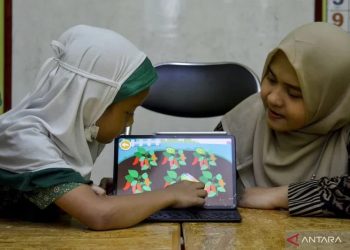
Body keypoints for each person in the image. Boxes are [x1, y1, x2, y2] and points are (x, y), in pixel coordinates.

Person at [0, 25, 207, 230]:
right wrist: (170, 194)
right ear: (93, 104)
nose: (130, 122)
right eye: (128, 112)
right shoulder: (23, 138)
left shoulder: (64, 133)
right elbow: (100, 215)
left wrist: (86, 191)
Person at [216, 22, 350, 217]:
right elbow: (203, 175)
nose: (272, 98)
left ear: (331, 100)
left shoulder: (345, 130)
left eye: (294, 93)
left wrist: (282, 196)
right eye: (271, 79)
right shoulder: (250, 114)